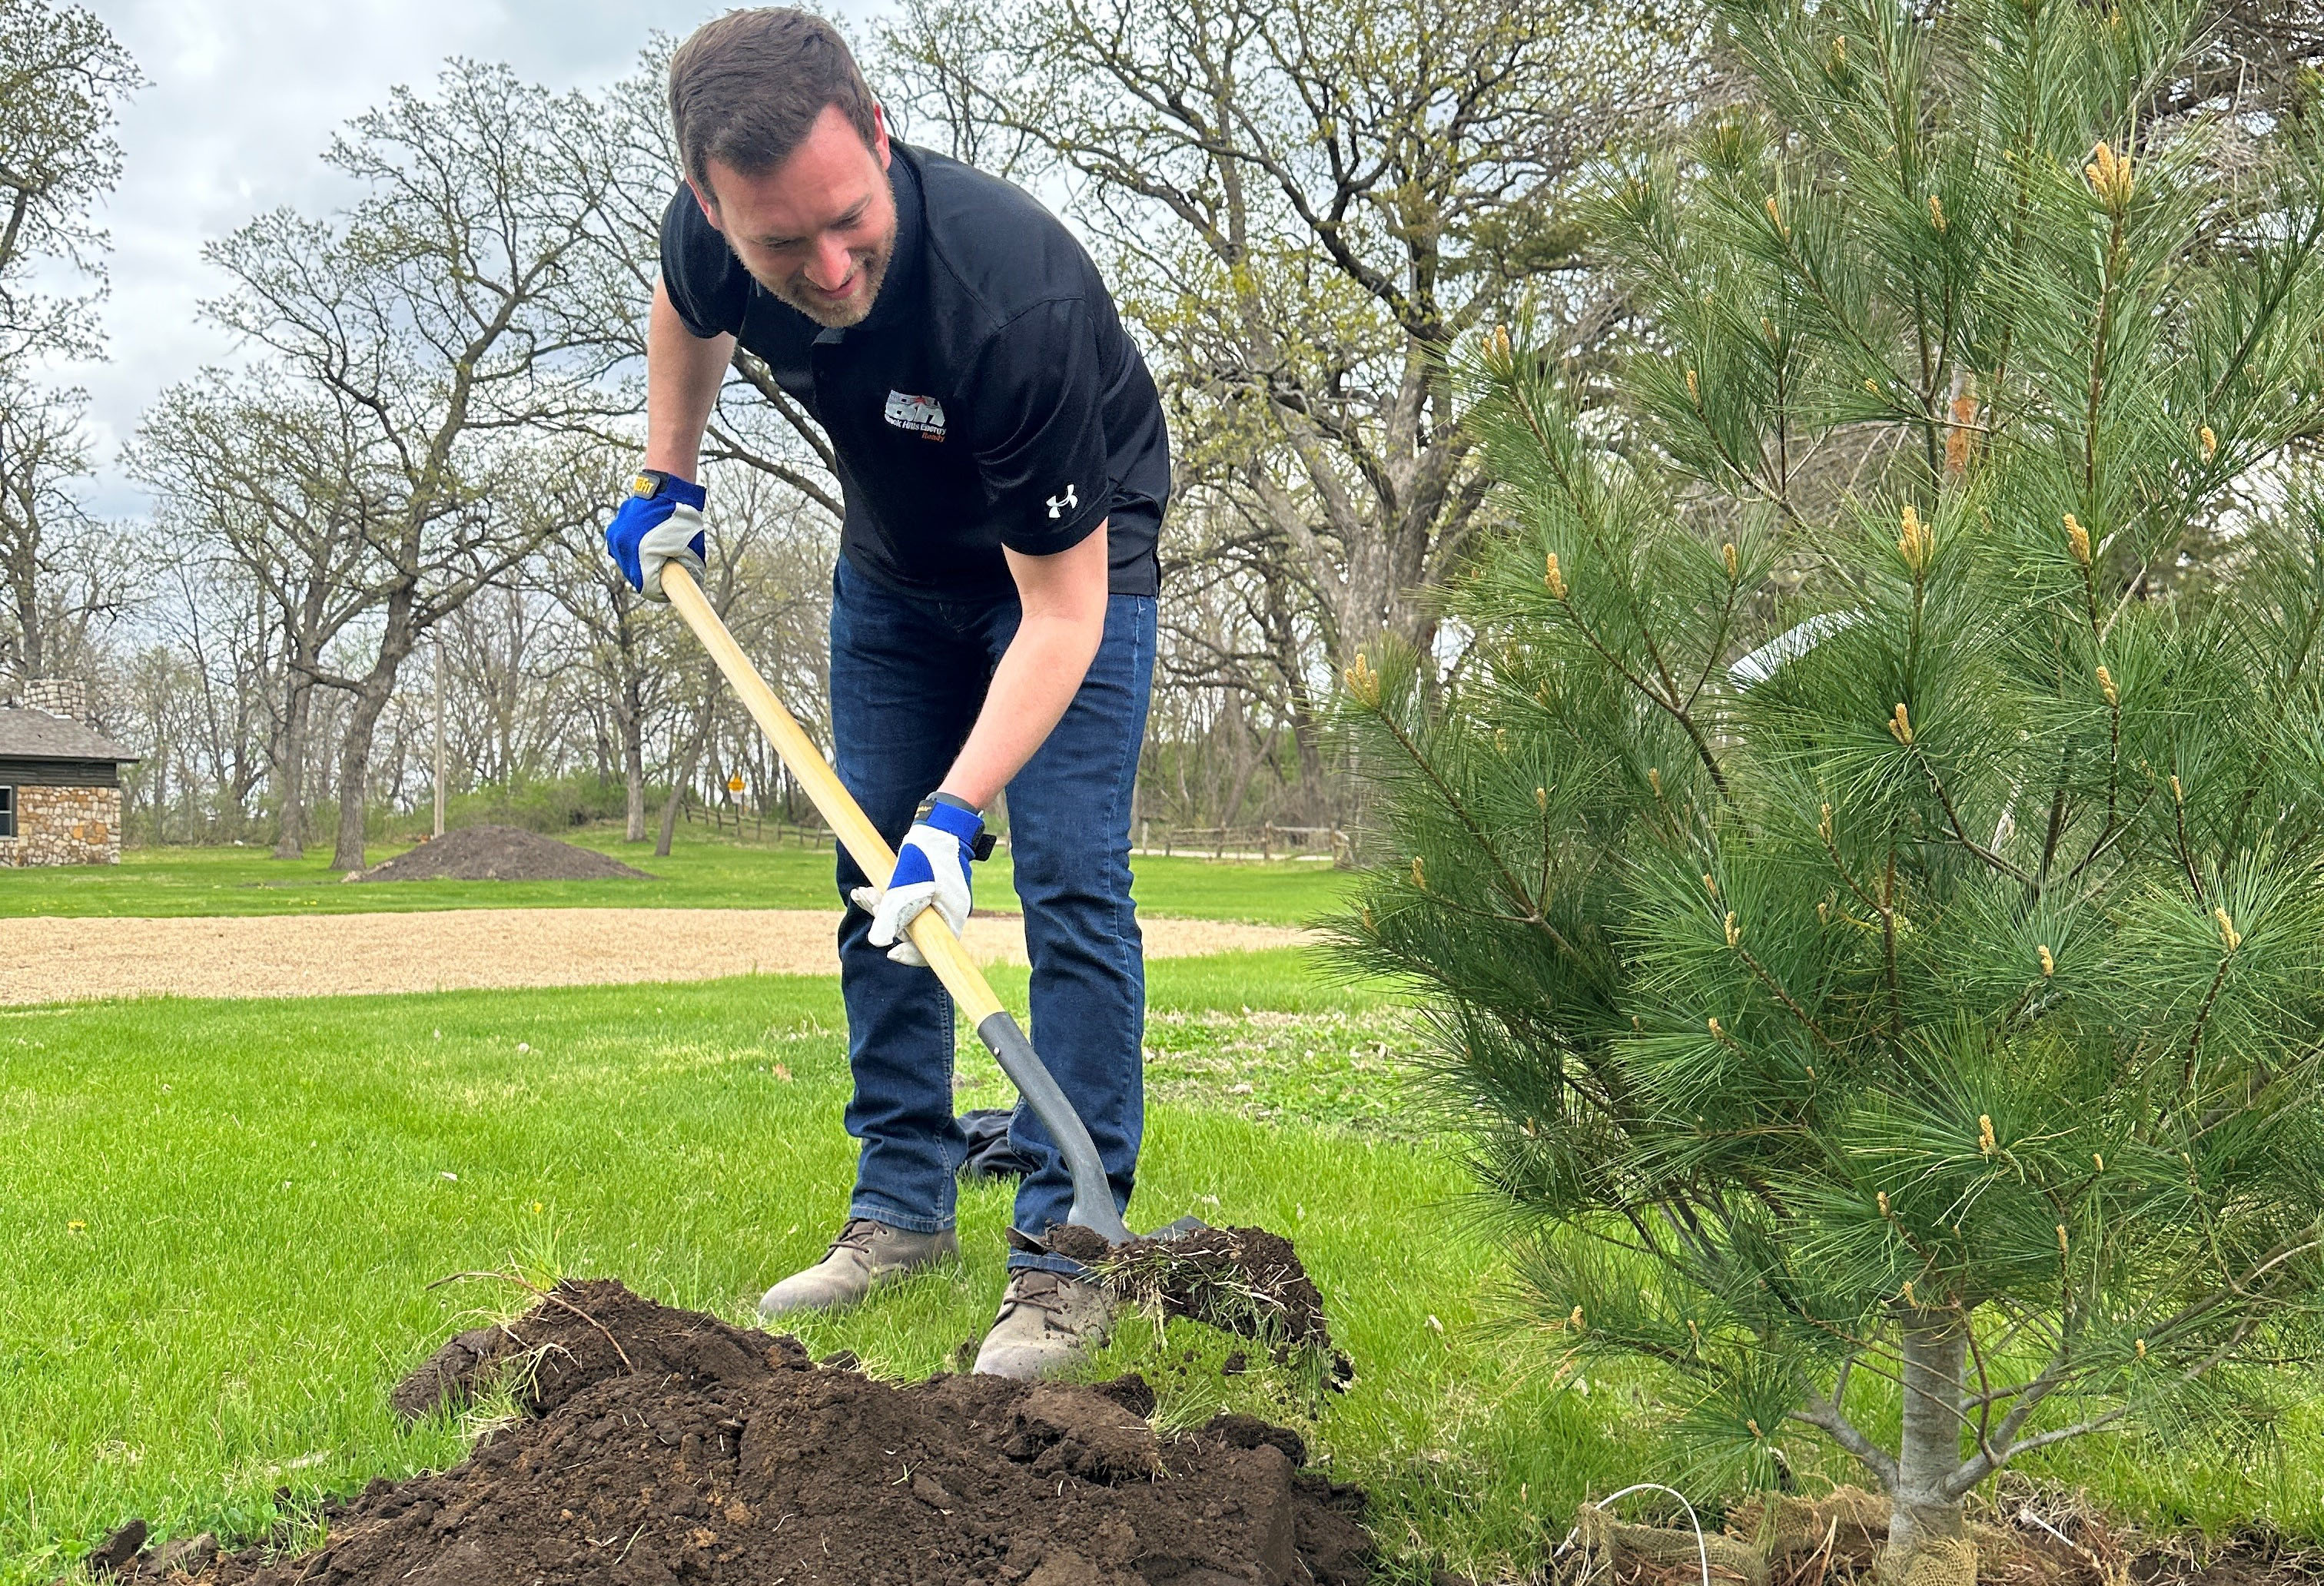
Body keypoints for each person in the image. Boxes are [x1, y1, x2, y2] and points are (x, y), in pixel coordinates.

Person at [604, 8, 1169, 1379]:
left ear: (877, 131)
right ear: (713, 206)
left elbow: (1062, 614)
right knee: (871, 885)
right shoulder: (712, 245)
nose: (831, 265)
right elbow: (689, 307)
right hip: (893, 576)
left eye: (849, 222)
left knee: (1073, 888)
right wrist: (665, 474)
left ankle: (1067, 1258)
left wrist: (956, 819)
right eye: (782, 246)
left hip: (1070, 573)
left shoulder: (1009, 298)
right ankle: (901, 1211)